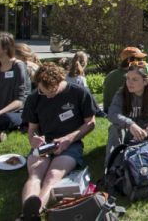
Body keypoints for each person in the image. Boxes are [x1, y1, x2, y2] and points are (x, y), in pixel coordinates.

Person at [19, 63, 97, 220]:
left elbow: (90, 123)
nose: (46, 96)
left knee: (52, 176)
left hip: (71, 145)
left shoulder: (79, 93)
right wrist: (33, 139)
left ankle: (35, 211)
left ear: (60, 82)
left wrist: (69, 139)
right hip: (45, 145)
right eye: (42, 91)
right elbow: (32, 129)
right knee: (35, 175)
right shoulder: (34, 98)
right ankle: (28, 212)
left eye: (51, 92)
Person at [102, 47, 148, 113]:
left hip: (108, 110)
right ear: (129, 60)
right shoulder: (131, 77)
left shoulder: (111, 74)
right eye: (140, 60)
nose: (142, 62)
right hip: (122, 112)